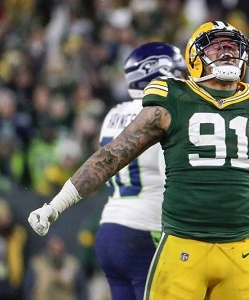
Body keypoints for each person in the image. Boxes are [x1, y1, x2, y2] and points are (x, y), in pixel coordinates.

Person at [28, 21, 249, 300]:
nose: (228, 55)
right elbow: (110, 157)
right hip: (184, 246)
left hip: (243, 249)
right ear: (193, 58)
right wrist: (57, 203)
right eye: (218, 48)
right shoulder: (171, 100)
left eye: (233, 49)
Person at [93, 42, 186, 300]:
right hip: (145, 230)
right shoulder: (161, 114)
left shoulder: (113, 113)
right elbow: (173, 177)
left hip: (110, 228)